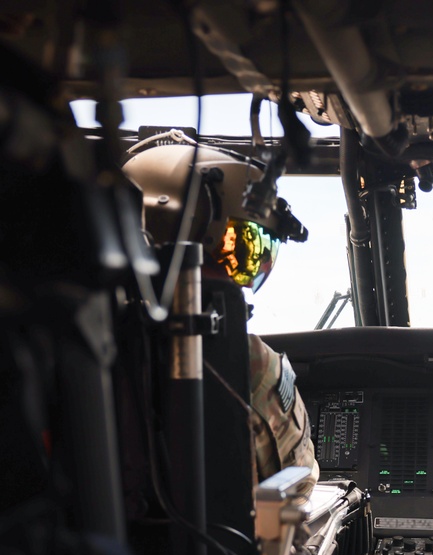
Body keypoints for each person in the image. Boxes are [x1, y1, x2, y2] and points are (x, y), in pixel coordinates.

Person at [122, 139, 320, 493]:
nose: (241, 278)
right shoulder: (251, 363)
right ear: (197, 236)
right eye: (239, 248)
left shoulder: (67, 343)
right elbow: (298, 486)